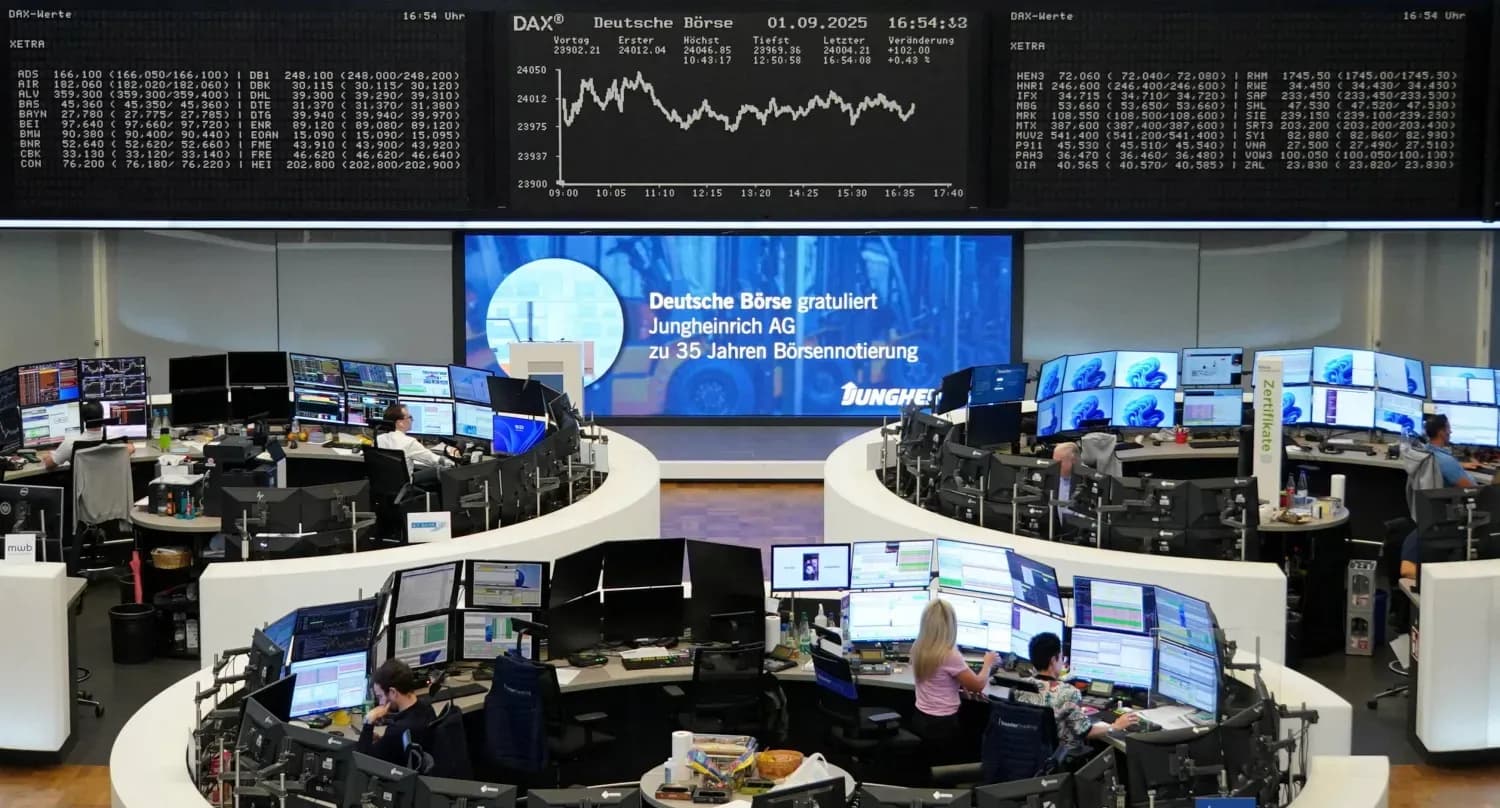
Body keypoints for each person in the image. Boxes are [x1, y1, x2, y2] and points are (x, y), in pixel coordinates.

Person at [1015, 632, 1137, 758]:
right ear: (1053, 660)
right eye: (1061, 657)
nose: (1063, 662)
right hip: (1061, 760)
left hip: (1025, 757)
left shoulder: (1019, 687)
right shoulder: (1068, 692)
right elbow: (1086, 732)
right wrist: (1115, 726)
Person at [1400, 413, 1483, 580]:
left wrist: (1459, 466)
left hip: (1430, 515)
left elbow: (1444, 466)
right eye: (1448, 429)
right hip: (1453, 517)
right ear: (1442, 432)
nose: (1450, 432)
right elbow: (1472, 489)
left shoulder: (1424, 453)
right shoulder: (1446, 462)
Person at [910, 599, 996, 755]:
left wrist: (958, 684)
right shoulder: (950, 655)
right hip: (943, 724)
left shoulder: (917, 647)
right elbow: (977, 686)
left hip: (920, 718)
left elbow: (937, 678)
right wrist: (988, 664)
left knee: (927, 758)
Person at [358, 659, 437, 766]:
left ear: (393, 692)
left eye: (380, 696)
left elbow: (363, 760)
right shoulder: (427, 707)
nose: (381, 703)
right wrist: (384, 740)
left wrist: (368, 723)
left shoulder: (397, 731)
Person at [376, 403, 460, 487]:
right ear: (400, 423)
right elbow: (435, 460)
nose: (412, 420)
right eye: (410, 417)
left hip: (382, 487)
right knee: (439, 472)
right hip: (404, 488)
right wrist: (454, 461)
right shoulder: (409, 442)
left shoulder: (378, 439)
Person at [44, 401, 134, 470]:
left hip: (84, 489)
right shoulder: (117, 441)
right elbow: (131, 448)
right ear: (102, 416)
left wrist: (50, 455)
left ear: (83, 420)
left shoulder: (70, 444)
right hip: (112, 487)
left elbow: (49, 465)